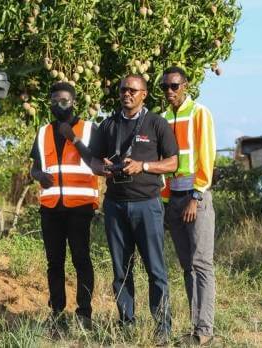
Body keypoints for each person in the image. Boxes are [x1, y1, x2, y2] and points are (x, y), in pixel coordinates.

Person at [91, 74, 178, 344]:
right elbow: (93, 162)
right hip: (115, 205)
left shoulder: (156, 123)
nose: (126, 94)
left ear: (144, 94)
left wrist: (144, 166)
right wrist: (101, 167)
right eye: (122, 90)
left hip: (147, 204)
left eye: (132, 90)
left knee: (155, 269)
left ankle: (162, 327)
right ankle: (126, 323)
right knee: (121, 270)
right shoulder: (107, 124)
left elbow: (173, 163)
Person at [29, 82, 99, 332]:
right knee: (54, 263)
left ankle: (84, 314)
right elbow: (34, 167)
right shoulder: (42, 132)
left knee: (81, 259)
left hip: (80, 206)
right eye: (55, 101)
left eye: (64, 101)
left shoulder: (90, 129)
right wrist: (39, 176)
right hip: (50, 208)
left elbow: (97, 161)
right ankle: (57, 314)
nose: (59, 105)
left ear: (74, 102)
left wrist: (73, 137)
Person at [160, 66, 217, 346]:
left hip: (196, 198)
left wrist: (196, 196)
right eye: (165, 87)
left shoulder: (199, 113)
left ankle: (204, 330)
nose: (169, 91)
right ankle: (195, 327)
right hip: (173, 201)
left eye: (174, 86)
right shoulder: (163, 118)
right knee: (187, 266)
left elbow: (206, 156)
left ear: (185, 85)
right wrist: (165, 202)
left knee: (201, 263)